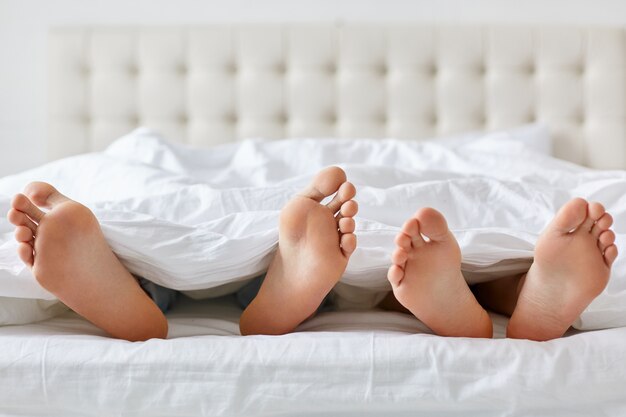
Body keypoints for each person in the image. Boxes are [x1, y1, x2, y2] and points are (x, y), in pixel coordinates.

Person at [6, 167, 617, 342]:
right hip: (426, 248)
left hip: (175, 239)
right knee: (448, 250)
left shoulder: (139, 156)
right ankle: (518, 297)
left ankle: (133, 299)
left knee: (161, 249)